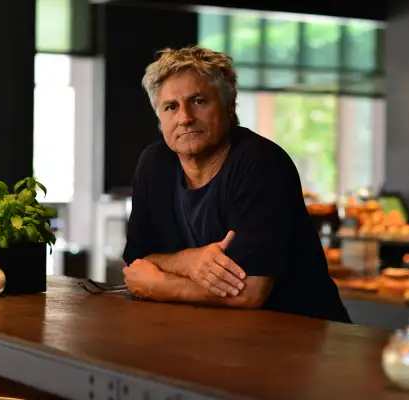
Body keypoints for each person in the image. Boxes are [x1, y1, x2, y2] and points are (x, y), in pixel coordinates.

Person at [122, 46, 351, 323]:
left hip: (305, 339)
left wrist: (161, 284)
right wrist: (191, 261)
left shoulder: (262, 163)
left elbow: (250, 292)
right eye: (171, 107)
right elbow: (137, 263)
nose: (184, 118)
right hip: (221, 336)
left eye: (198, 101)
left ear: (228, 105)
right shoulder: (154, 163)